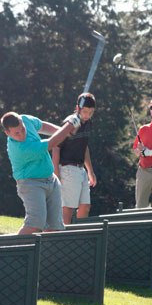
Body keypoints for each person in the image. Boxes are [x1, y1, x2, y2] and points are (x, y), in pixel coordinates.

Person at [0, 111, 81, 234]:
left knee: (55, 227)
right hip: (30, 184)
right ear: (7, 133)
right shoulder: (20, 148)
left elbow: (42, 126)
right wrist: (69, 125)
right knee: (35, 225)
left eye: (23, 129)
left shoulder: (25, 119)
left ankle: (47, 254)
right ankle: (15, 251)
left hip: (51, 180)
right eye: (17, 133)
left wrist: (65, 131)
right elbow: (52, 143)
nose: (22, 134)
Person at [52, 92, 97, 224]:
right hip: (67, 169)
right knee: (67, 210)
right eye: (85, 112)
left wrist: (90, 171)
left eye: (91, 112)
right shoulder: (69, 123)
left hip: (80, 170)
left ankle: (79, 239)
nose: (87, 115)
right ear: (77, 108)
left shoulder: (88, 123)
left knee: (85, 207)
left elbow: (84, 147)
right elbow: (56, 147)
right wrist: (56, 174)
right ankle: (63, 240)